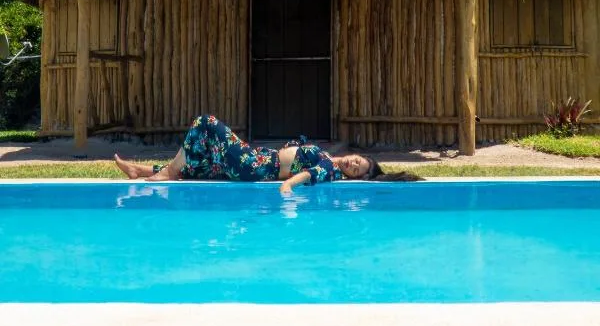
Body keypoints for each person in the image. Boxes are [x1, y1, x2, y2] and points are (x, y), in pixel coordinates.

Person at [114, 114, 421, 193]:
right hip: (254, 165)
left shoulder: (330, 169)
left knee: (205, 124)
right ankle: (142, 171)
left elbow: (307, 175)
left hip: (254, 164)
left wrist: (288, 186)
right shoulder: (331, 157)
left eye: (356, 169)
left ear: (352, 176)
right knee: (202, 165)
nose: (353, 163)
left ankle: (167, 172)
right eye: (358, 160)